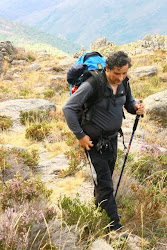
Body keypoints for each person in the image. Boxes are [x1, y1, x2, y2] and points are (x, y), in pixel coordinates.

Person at [62, 51, 145, 231]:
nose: (120, 77)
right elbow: (68, 108)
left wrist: (135, 107)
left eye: (124, 73)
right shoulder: (93, 84)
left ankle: (100, 213)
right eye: (116, 73)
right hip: (93, 142)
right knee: (105, 184)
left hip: (112, 140)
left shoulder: (124, 83)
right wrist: (80, 136)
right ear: (107, 68)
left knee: (103, 181)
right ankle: (113, 229)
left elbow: (128, 103)